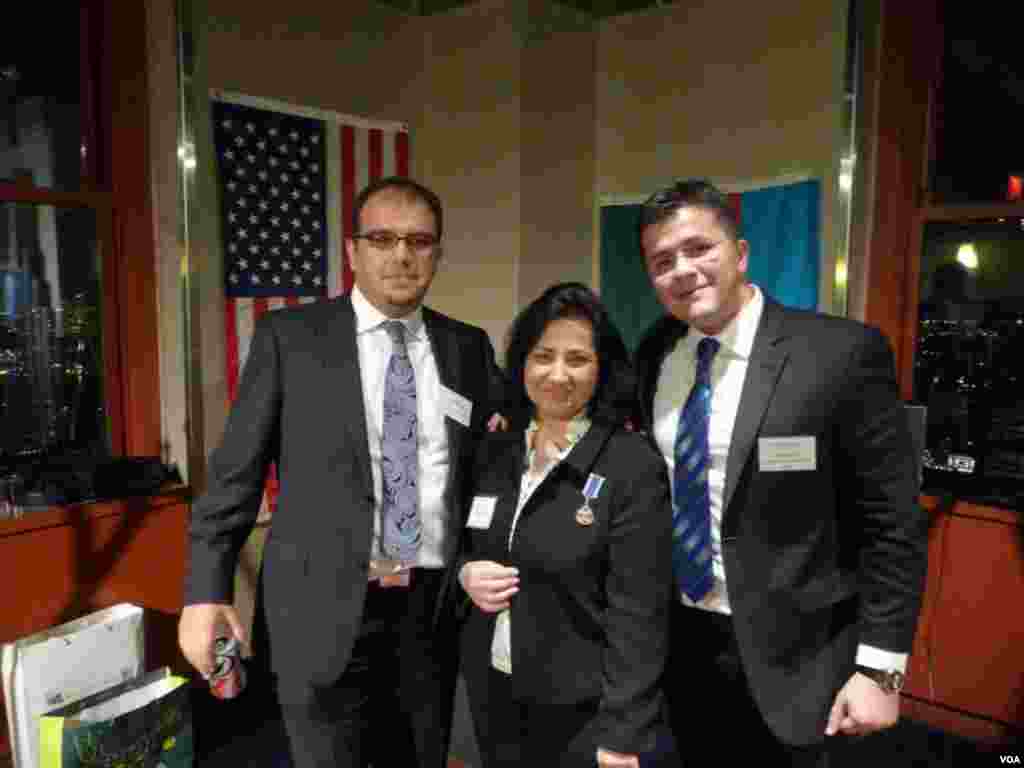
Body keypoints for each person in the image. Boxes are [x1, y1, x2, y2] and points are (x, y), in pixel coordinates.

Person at [179, 176, 505, 768]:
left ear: (437, 253)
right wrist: (206, 591)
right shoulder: (292, 340)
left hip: (427, 619)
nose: (401, 254)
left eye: (419, 240)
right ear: (352, 251)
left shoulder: (468, 348)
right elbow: (234, 479)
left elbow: (494, 461)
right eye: (382, 239)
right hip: (320, 610)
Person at [633, 179, 929, 766]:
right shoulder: (656, 356)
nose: (683, 270)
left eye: (699, 249)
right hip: (684, 649)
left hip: (805, 663)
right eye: (663, 261)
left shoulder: (840, 353)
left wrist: (882, 670)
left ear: (740, 254)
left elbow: (893, 525)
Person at [459, 282, 675, 768]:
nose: (557, 374)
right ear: (522, 364)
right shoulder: (497, 451)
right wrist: (464, 572)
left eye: (577, 359)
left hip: (584, 714)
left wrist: (624, 732)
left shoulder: (630, 464)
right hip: (495, 691)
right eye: (543, 356)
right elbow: (464, 543)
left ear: (602, 369)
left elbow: (639, 615)